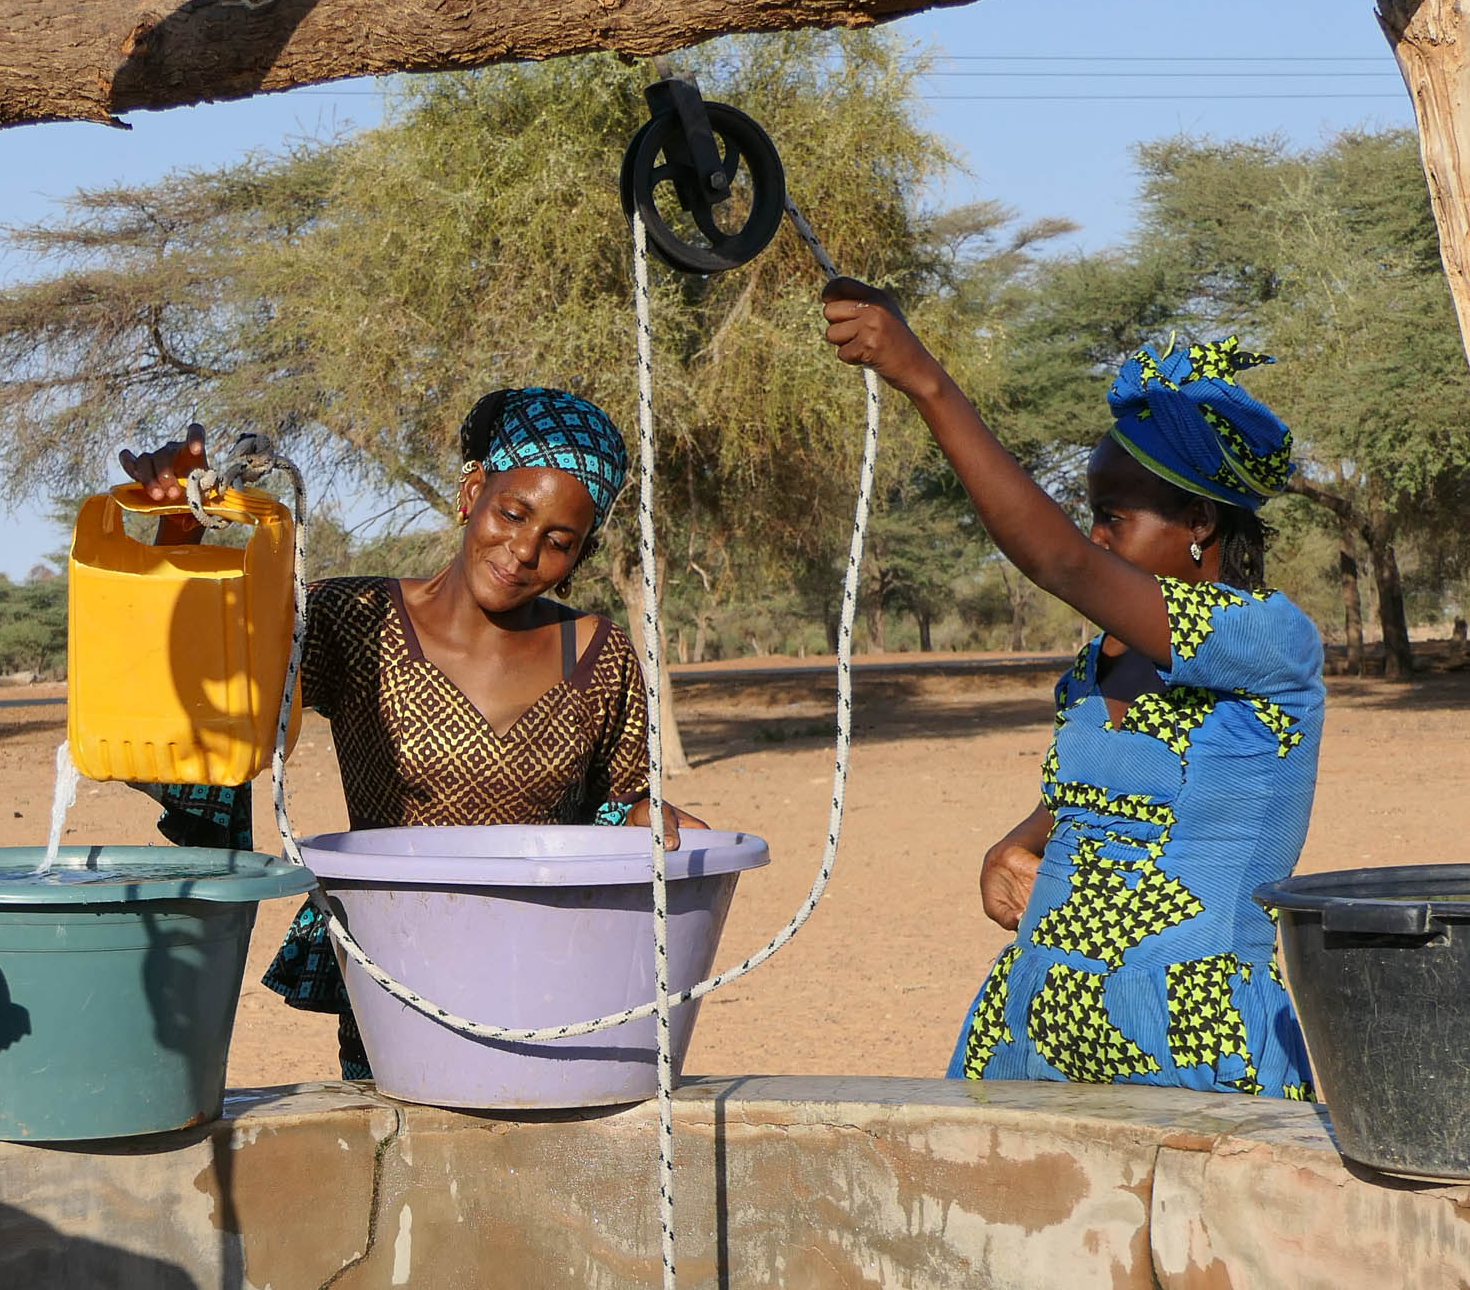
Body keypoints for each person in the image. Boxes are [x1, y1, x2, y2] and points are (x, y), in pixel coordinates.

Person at [119, 388, 705, 1080]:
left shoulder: (598, 653)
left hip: (553, 979)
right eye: (512, 514)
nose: (522, 552)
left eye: (558, 542)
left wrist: (645, 814)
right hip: (393, 975)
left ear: (579, 556)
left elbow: (615, 812)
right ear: (473, 492)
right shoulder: (354, 617)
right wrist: (180, 529)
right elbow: (200, 695)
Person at [824, 287, 1321, 1098]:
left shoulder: (1270, 639)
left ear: (1198, 520)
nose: (1092, 537)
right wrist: (1012, 845)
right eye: (1089, 516)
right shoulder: (1097, 666)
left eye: (1110, 517)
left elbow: (1061, 564)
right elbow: (1086, 800)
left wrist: (927, 383)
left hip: (1194, 1048)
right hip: (1032, 1030)